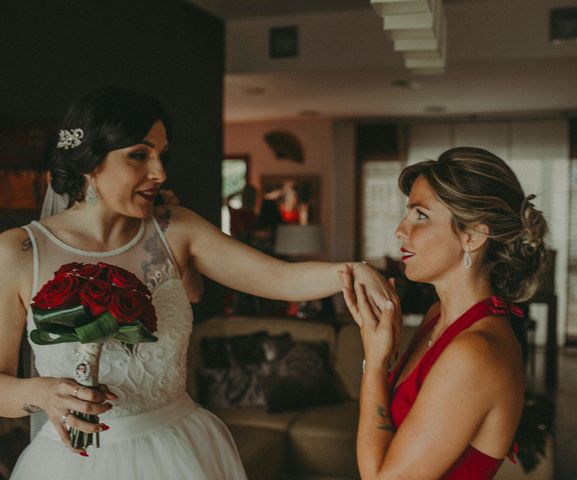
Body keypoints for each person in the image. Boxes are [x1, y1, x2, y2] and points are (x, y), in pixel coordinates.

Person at [0, 86, 395, 480]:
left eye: (161, 154)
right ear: (89, 161)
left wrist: (354, 270)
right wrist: (41, 394)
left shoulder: (176, 229)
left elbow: (280, 278)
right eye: (139, 155)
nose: (159, 173)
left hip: (176, 453)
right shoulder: (18, 252)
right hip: (72, 467)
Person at [340, 147, 548, 479]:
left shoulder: (474, 353)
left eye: (420, 215)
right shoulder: (438, 316)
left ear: (473, 236)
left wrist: (376, 363)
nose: (400, 230)